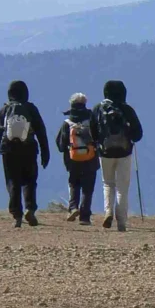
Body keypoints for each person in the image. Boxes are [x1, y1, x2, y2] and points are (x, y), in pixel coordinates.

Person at [0, 80, 49, 228]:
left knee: (12, 181)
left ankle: (17, 214)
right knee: (29, 180)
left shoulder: (4, 110)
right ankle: (30, 208)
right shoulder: (31, 109)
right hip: (29, 148)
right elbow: (41, 131)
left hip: (8, 150)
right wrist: (45, 152)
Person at [90, 80, 143, 232]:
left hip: (105, 152)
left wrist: (98, 143)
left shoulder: (98, 108)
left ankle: (108, 212)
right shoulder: (127, 109)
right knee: (122, 187)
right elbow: (138, 133)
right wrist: (131, 138)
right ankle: (121, 221)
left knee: (108, 183)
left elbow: (93, 131)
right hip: (124, 153)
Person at [55, 93, 99, 225]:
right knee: (88, 187)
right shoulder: (91, 120)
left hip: (72, 159)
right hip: (90, 158)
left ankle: (73, 208)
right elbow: (98, 137)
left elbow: (61, 145)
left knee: (74, 183)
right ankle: (85, 217)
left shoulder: (67, 123)